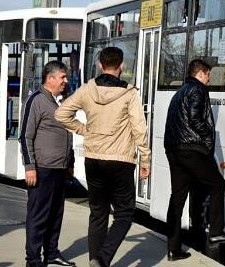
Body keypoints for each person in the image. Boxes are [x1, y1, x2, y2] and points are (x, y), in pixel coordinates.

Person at [55, 47, 150, 267]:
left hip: (94, 159)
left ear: (100, 65)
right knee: (124, 214)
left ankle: (94, 260)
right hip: (121, 160)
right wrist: (145, 160)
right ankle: (103, 258)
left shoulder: (87, 89)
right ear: (122, 65)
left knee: (97, 214)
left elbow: (61, 113)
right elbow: (139, 129)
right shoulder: (129, 93)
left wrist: (83, 129)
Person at [164, 59, 225, 261]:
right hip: (192, 149)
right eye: (208, 75)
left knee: (177, 199)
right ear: (200, 74)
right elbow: (195, 117)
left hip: (174, 150)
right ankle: (215, 232)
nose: (209, 79)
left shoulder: (180, 92)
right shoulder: (197, 90)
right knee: (217, 184)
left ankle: (173, 249)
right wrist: (208, 136)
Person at [19, 60, 76, 267]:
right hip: (42, 169)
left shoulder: (60, 100)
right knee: (38, 216)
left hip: (60, 169)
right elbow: (25, 136)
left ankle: (52, 254)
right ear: (50, 78)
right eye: (62, 77)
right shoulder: (36, 100)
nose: (65, 81)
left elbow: (67, 135)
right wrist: (30, 167)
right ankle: (33, 260)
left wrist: (70, 164)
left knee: (55, 215)